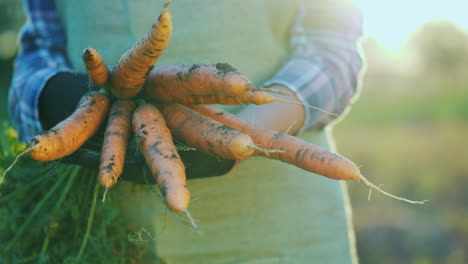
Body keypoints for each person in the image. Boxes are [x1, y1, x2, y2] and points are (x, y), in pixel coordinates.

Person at [9, 0, 364, 263]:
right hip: (101, 234)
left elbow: (331, 47)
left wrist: (252, 132)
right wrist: (51, 98)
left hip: (281, 232)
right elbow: (39, 49)